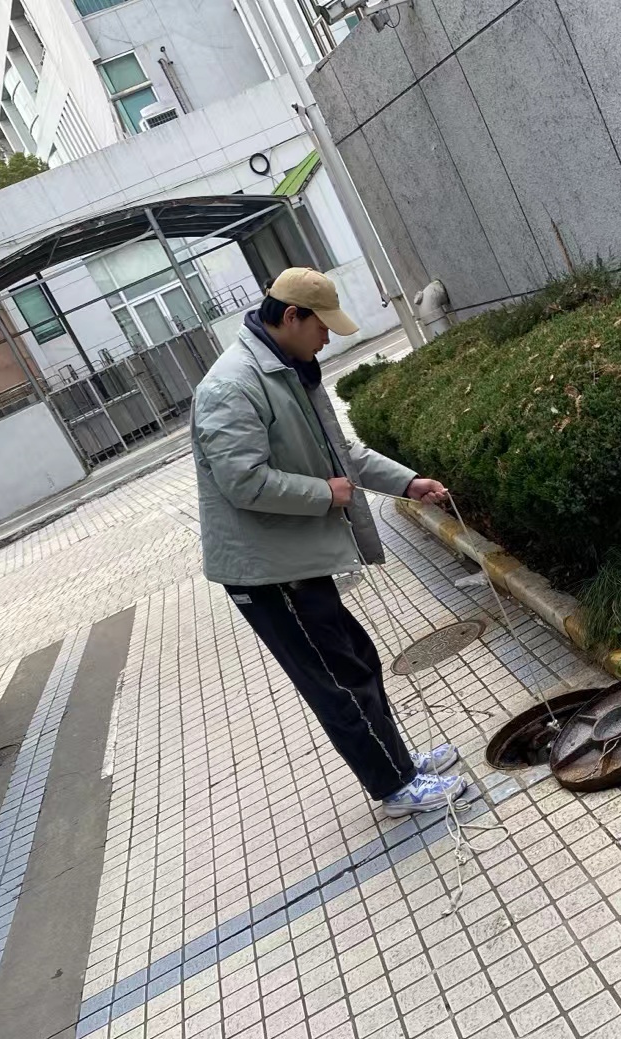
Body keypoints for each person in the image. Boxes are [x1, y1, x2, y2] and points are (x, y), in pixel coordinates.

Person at [191, 267, 467, 816]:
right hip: (267, 572)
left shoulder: (286, 369)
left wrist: (407, 482)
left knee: (356, 659)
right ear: (291, 316)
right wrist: (323, 494)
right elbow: (243, 482)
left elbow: (341, 452)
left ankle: (398, 764)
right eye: (322, 327)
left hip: (291, 559)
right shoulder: (232, 386)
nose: (327, 339)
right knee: (338, 680)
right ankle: (395, 788)